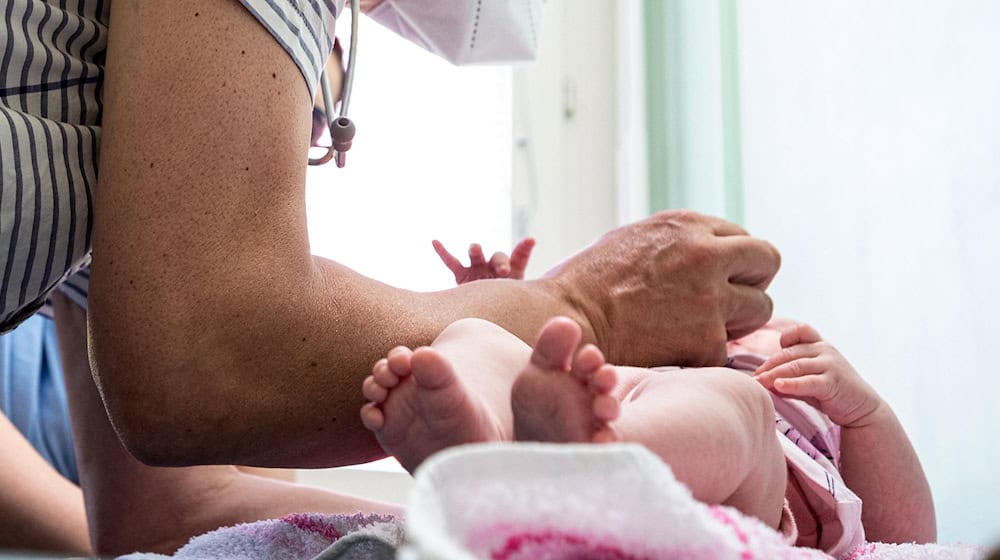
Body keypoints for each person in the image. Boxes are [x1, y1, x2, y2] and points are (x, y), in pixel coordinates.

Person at [2, 0, 777, 509]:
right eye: (313, 75)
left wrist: (477, 515)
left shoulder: (130, 187)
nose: (307, 134)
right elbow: (199, 362)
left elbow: (169, 515)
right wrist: (586, 307)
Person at [359, 243, 936, 556]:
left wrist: (867, 413)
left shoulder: (777, 364)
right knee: (475, 336)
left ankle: (601, 457)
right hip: (624, 398)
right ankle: (482, 438)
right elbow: (569, 355)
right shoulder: (649, 349)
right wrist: (498, 301)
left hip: (750, 488)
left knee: (739, 403)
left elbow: (911, 543)